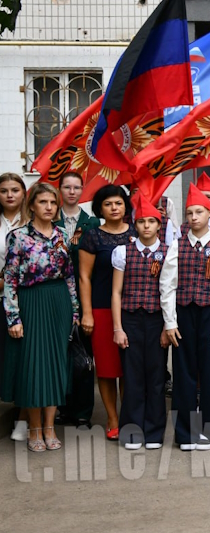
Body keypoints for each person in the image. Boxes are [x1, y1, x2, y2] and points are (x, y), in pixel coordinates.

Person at [3, 182, 79, 452]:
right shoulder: (18, 236)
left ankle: (49, 428)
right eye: (43, 202)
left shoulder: (61, 234)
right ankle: (34, 429)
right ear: (32, 205)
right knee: (33, 367)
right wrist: (13, 318)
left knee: (57, 365)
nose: (49, 207)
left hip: (58, 302)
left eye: (52, 203)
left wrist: (75, 310)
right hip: (30, 302)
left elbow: (69, 275)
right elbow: (10, 279)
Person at [161, 183, 210, 451]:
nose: (193, 217)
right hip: (183, 314)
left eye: (199, 211)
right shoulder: (176, 246)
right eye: (189, 213)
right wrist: (170, 321)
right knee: (183, 372)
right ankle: (185, 434)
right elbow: (167, 285)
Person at [111, 195, 168, 450]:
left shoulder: (169, 252)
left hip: (158, 320)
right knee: (133, 377)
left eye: (151, 222)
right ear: (135, 224)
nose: (146, 226)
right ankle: (132, 431)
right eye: (141, 221)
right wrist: (118, 328)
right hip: (131, 319)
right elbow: (116, 292)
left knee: (156, 377)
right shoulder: (123, 251)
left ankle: (155, 431)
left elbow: (171, 292)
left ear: (159, 225)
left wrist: (169, 326)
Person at [78, 184, 134, 441]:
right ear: (99, 208)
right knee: (108, 369)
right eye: (108, 204)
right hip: (101, 309)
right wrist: (86, 313)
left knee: (130, 367)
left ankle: (128, 416)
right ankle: (112, 418)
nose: (114, 208)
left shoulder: (136, 233)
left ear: (126, 206)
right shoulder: (92, 237)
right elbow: (84, 277)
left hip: (134, 308)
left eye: (119, 203)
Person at [0, 173, 29, 441]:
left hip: (22, 301)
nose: (9, 195)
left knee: (22, 359)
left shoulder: (32, 223)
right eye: (4, 190)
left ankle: (22, 418)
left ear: (23, 193)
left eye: (15, 190)